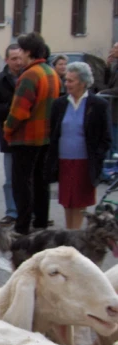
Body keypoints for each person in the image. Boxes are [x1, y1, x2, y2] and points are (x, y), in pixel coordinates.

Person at [3, 32, 61, 236]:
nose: (19, 52)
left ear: (28, 51)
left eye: (21, 49)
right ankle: (41, 222)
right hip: (45, 136)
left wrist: (8, 129)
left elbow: (19, 110)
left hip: (27, 137)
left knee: (22, 183)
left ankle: (22, 225)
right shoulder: (51, 72)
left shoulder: (29, 75)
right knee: (40, 181)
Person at [45, 62, 112, 229]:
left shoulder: (98, 105)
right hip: (64, 161)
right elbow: (53, 133)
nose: (66, 84)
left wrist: (97, 156)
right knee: (68, 202)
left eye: (71, 81)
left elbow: (106, 137)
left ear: (83, 82)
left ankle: (74, 237)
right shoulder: (59, 105)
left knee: (80, 202)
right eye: (66, 80)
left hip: (84, 162)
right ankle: (71, 234)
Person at [0, 44, 23, 228]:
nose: (18, 62)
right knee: (10, 178)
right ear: (7, 60)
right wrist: (12, 109)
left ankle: (26, 211)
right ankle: (12, 212)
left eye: (20, 58)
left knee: (28, 177)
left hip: (29, 135)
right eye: (14, 58)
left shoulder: (29, 77)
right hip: (9, 135)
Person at [103, 42, 118, 156]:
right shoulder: (115, 66)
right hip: (113, 110)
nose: (112, 50)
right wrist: (107, 67)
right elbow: (107, 83)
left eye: (115, 48)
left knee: (115, 142)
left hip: (116, 111)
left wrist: (102, 93)